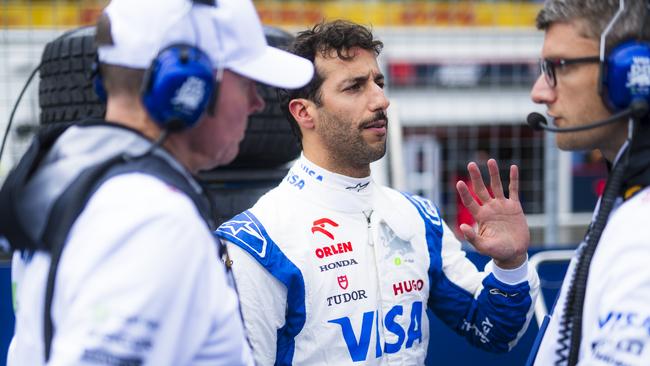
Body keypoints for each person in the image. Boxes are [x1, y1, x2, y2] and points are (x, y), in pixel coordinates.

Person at [0, 0, 313, 365]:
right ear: (187, 85)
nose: (257, 103)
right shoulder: (153, 219)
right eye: (246, 83)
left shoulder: (69, 179)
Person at [215, 20, 540, 365]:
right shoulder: (259, 241)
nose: (380, 100)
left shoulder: (418, 218)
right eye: (355, 87)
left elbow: (493, 331)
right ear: (304, 112)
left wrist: (510, 265)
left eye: (378, 82)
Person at [528, 0, 650, 364]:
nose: (540, 91)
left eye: (558, 67)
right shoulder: (625, 197)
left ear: (631, 72)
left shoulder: (641, 229)